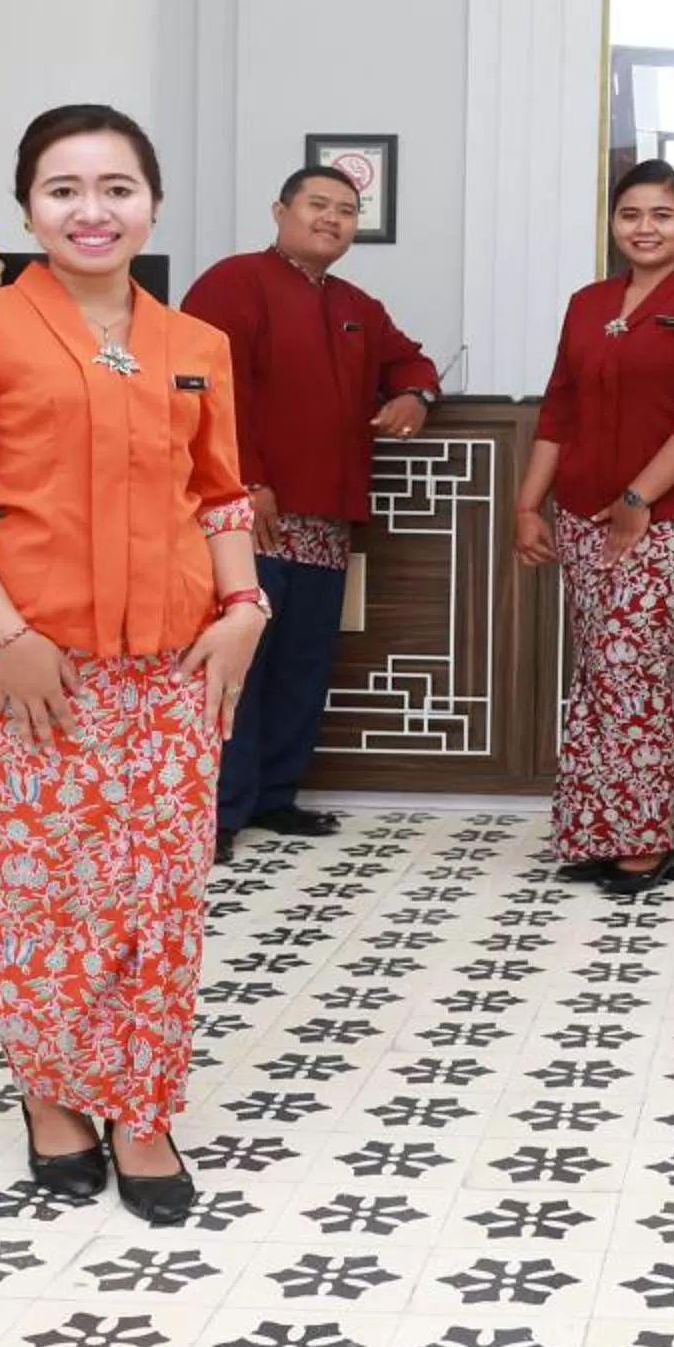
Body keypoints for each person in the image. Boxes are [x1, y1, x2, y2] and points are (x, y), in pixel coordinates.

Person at [0, 105, 268, 1222]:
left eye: (116, 188)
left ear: (153, 202)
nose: (91, 211)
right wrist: (4, 638)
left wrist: (244, 602)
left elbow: (219, 493)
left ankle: (141, 1104)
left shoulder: (196, 344)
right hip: (32, 667)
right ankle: (52, 1095)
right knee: (42, 896)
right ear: (27, 210)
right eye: (64, 190)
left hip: (173, 670)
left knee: (159, 899)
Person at [182, 165, 441, 865]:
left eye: (346, 210)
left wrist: (417, 396)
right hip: (248, 515)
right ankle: (219, 811)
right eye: (317, 205)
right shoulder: (233, 282)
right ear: (280, 210)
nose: (331, 218)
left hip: (325, 520)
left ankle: (273, 794)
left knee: (302, 660)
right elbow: (202, 389)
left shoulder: (357, 302)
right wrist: (250, 480)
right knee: (240, 663)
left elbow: (412, 361)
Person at [514, 158, 674, 895]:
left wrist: (639, 498)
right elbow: (559, 409)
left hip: (671, 517)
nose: (644, 228)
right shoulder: (588, 303)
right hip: (582, 512)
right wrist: (527, 503)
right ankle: (595, 832)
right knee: (599, 673)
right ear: (613, 224)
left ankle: (648, 837)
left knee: (628, 667)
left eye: (662, 215)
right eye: (631, 215)